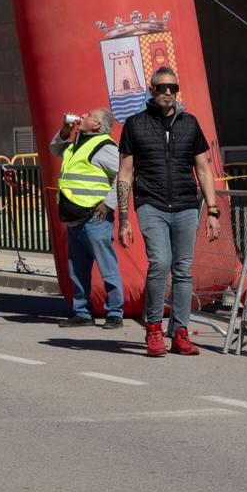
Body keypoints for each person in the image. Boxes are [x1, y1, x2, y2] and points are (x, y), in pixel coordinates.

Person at [116, 67, 221, 357]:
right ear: (152, 90)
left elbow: (203, 169)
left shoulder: (190, 123)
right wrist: (124, 219)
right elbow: (125, 174)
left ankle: (180, 333)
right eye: (162, 87)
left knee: (184, 270)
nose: (167, 92)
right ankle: (153, 329)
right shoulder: (135, 124)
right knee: (160, 263)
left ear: (177, 90)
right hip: (151, 204)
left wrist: (213, 211)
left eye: (172, 88)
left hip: (187, 205)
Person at [50, 107, 123, 328]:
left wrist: (108, 203)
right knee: (77, 268)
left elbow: (125, 174)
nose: (83, 116)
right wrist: (64, 130)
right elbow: (55, 149)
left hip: (94, 217)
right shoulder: (76, 143)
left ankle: (114, 313)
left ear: (97, 126)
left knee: (106, 266)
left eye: (89, 116)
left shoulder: (104, 146)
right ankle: (82, 312)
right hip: (75, 216)